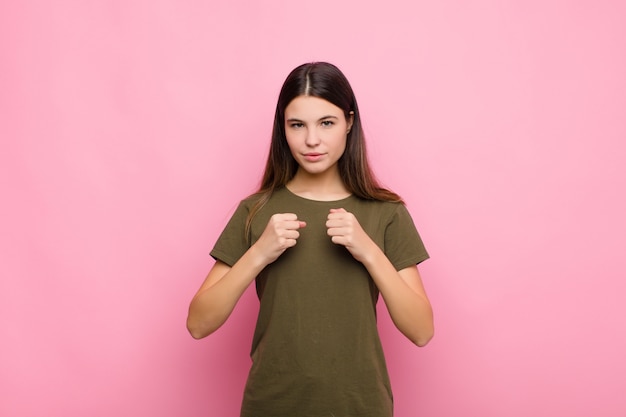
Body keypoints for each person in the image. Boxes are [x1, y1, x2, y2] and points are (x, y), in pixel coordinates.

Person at [187, 62, 434, 417]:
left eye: (326, 123)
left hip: (360, 407)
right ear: (283, 129)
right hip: (271, 405)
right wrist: (259, 253)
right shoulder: (256, 212)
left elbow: (421, 331)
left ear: (349, 122)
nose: (312, 140)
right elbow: (198, 324)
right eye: (297, 125)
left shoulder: (386, 213)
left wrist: (368, 251)